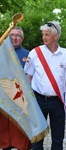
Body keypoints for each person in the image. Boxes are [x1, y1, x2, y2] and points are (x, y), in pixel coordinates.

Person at [24, 21, 66, 150]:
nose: (44, 37)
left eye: (47, 34)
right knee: (37, 138)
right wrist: (29, 99)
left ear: (56, 36)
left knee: (58, 138)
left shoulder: (65, 54)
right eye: (43, 34)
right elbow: (28, 76)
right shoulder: (35, 53)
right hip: (39, 100)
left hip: (58, 101)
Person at [0, 27, 31, 150]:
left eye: (18, 36)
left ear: (22, 39)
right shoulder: (0, 54)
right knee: (4, 127)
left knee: (21, 129)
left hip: (22, 98)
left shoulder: (28, 55)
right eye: (12, 35)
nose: (14, 38)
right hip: (4, 96)